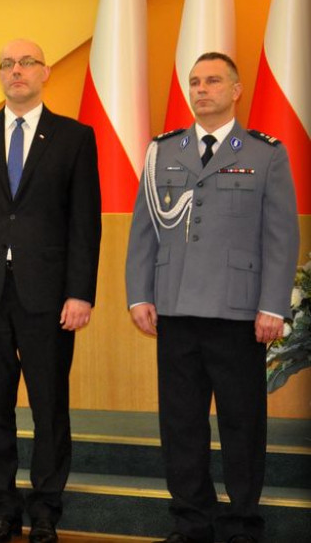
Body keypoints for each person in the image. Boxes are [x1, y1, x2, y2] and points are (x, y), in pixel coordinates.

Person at [125, 53, 299, 543]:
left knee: (241, 424)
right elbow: (144, 230)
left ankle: (242, 522)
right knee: (181, 424)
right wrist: (139, 293)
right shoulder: (163, 150)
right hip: (175, 308)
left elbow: (281, 236)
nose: (202, 89)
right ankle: (191, 521)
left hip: (238, 313)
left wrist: (273, 306)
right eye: (195, 82)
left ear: (236, 90)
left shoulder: (265, 153)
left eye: (214, 81)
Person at [0, 39, 101, 543]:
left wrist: (81, 293)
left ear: (46, 72)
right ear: (0, 75)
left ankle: (47, 508)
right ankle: (3, 508)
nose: (16, 72)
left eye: (26, 63)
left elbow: (85, 223)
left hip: (49, 297)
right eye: (7, 64)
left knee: (50, 406)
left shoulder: (74, 137)